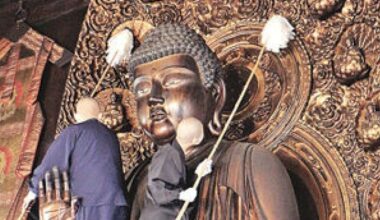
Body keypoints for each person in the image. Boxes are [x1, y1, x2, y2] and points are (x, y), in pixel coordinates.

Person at [127, 23, 300, 219]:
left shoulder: (249, 165)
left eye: (173, 81)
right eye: (142, 89)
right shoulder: (138, 178)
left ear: (215, 94)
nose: (153, 97)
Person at [22, 97, 128, 220]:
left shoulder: (74, 131)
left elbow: (51, 165)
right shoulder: (111, 135)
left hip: (92, 203)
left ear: (75, 116)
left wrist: (32, 192)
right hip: (119, 204)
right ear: (99, 115)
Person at [139, 117, 211, 220]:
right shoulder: (167, 154)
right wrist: (180, 195)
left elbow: (175, 183)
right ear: (197, 140)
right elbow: (156, 189)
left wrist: (198, 173)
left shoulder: (176, 154)